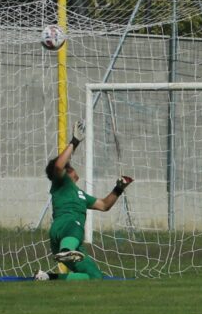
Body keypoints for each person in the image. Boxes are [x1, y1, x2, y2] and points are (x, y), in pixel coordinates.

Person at [35, 120, 133, 281]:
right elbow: (58, 167)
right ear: (67, 171)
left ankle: (47, 277)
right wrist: (74, 142)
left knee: (95, 276)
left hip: (73, 241)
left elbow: (103, 205)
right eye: (70, 166)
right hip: (66, 227)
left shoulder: (80, 194)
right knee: (76, 222)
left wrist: (119, 189)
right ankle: (66, 250)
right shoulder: (61, 183)